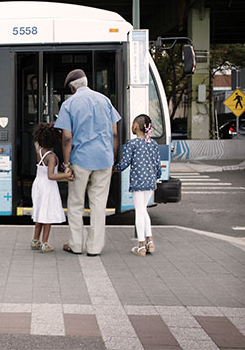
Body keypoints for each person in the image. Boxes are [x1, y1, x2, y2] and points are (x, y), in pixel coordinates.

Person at [54, 69, 121, 256]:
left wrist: (66, 164)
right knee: (99, 204)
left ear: (72, 88)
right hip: (104, 159)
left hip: (80, 160)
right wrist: (112, 158)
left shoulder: (68, 105)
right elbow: (114, 134)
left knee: (75, 203)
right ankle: (94, 248)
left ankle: (76, 245)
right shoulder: (105, 101)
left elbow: (67, 138)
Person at [114, 114, 161, 256]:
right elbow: (157, 164)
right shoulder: (153, 144)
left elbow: (125, 162)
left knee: (139, 212)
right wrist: (156, 180)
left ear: (136, 126)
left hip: (138, 181)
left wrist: (114, 169)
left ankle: (141, 245)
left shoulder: (132, 144)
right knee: (143, 210)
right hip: (150, 181)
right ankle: (150, 242)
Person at [31, 123, 73, 253]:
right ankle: (45, 244)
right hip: (47, 187)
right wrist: (66, 175)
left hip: (38, 184)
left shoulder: (39, 151)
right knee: (47, 216)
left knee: (39, 214)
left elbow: (36, 141)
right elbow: (51, 176)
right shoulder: (52, 157)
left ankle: (35, 241)